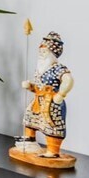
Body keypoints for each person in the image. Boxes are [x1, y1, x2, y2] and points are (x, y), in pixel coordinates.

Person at [15, 32, 73, 161]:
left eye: (44, 52)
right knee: (29, 116)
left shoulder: (58, 68)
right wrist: (29, 86)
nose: (41, 54)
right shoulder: (40, 69)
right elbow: (37, 86)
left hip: (51, 102)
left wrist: (61, 94)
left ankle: (53, 150)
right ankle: (29, 139)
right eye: (40, 51)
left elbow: (68, 80)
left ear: (53, 53)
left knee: (52, 125)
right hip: (38, 100)